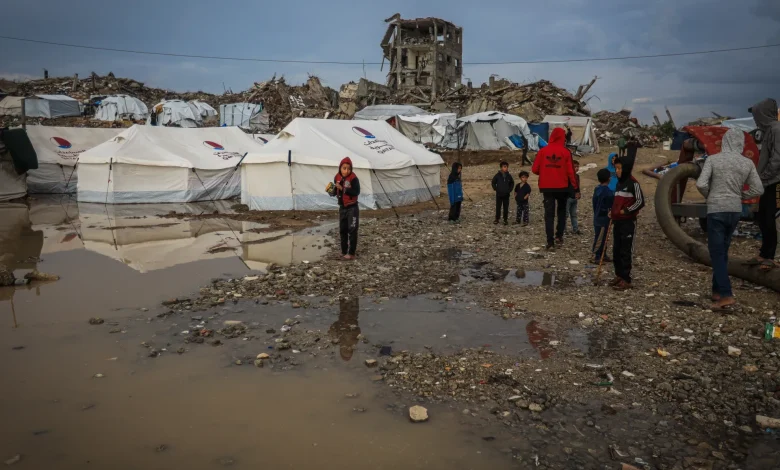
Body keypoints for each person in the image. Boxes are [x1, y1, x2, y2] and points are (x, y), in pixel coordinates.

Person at [696, 128, 764, 310]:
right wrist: (741, 195)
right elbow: (758, 189)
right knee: (722, 251)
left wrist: (711, 195)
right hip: (734, 210)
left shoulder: (713, 160)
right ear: (740, 143)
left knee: (716, 253)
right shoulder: (747, 163)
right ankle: (716, 291)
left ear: (725, 141)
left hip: (716, 210)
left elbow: (700, 183)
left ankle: (726, 295)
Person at [532, 127, 578, 250]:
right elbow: (571, 172)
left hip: (546, 187)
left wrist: (546, 172)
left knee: (549, 215)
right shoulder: (566, 152)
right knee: (562, 212)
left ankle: (550, 242)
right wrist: (575, 187)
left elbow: (535, 169)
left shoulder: (543, 151)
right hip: (562, 187)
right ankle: (559, 235)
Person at [750, 99, 780, 270]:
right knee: (763, 217)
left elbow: (777, 159)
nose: (755, 119)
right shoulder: (769, 131)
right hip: (768, 182)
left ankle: (772, 256)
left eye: (756, 114)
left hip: (775, 182)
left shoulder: (776, 129)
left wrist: (765, 176)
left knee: (773, 218)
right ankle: (764, 254)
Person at [610, 155, 645, 290]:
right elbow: (617, 202)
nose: (617, 171)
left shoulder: (633, 183)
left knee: (626, 250)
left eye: (619, 168)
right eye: (616, 168)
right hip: (617, 221)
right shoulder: (619, 184)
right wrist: (612, 212)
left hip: (628, 222)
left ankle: (626, 278)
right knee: (616, 249)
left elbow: (640, 201)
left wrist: (627, 210)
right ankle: (619, 275)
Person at [333, 157, 360, 260]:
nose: (346, 171)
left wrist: (343, 189)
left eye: (348, 169)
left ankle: (351, 253)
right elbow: (336, 191)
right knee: (343, 230)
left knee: (352, 230)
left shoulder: (353, 178)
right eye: (344, 168)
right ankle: (344, 252)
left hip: (352, 207)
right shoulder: (337, 177)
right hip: (342, 207)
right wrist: (332, 191)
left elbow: (356, 192)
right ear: (340, 168)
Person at [592, 168, 615, 263]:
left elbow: (594, 203)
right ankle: (596, 256)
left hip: (597, 216)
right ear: (609, 179)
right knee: (601, 237)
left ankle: (603, 254)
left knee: (603, 236)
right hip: (603, 218)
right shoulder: (608, 192)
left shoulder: (597, 189)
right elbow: (611, 205)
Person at [566, 160, 582, 235]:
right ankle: (563, 229)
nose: (576, 168)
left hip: (574, 198)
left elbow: (577, 186)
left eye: (577, 166)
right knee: (566, 214)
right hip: (568, 198)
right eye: (574, 167)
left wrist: (578, 193)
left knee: (574, 214)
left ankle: (575, 229)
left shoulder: (577, 176)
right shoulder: (567, 176)